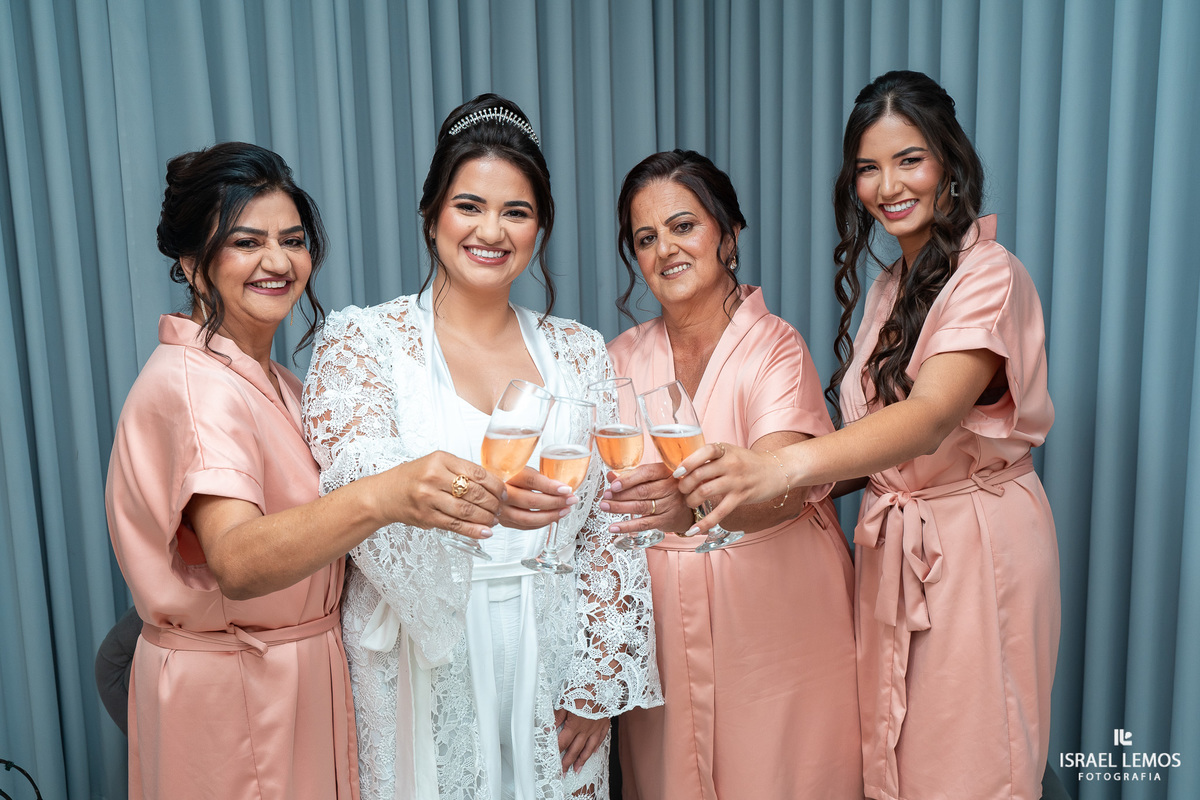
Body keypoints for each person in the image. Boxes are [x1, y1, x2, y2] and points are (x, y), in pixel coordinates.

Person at [674, 71, 1060, 800]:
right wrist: (757, 478)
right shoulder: (890, 287)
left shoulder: (992, 275)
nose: (888, 184)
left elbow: (929, 417)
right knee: (895, 759)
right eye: (868, 168)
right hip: (895, 545)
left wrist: (783, 473)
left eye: (909, 159)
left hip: (974, 549)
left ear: (949, 160)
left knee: (972, 761)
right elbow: (865, 437)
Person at [105, 142, 506, 799]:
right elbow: (235, 557)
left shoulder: (281, 385)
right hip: (239, 695)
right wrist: (383, 495)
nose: (277, 261)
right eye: (245, 242)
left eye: (292, 240)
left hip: (298, 680)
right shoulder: (194, 387)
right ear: (190, 264)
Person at [302, 94, 661, 800]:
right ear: (432, 212)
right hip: (417, 657)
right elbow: (357, 495)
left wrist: (596, 681)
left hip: (553, 659)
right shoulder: (362, 344)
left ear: (541, 226)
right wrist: (485, 503)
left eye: (516, 212)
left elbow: (610, 522)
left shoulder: (580, 353)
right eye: (469, 205)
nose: (491, 230)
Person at [603, 149, 864, 799]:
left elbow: (780, 491)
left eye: (683, 226)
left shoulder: (776, 347)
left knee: (781, 777)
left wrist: (683, 509)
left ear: (730, 234)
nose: (665, 248)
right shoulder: (619, 358)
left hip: (778, 628)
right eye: (645, 237)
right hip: (660, 636)